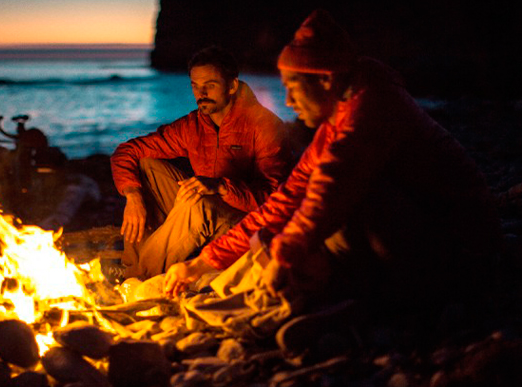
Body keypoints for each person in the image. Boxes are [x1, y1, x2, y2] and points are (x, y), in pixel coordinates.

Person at [164, 10, 502, 314]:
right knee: (289, 221)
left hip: (464, 251)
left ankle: (364, 301)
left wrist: (283, 256)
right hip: (426, 238)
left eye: (293, 87)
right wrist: (202, 262)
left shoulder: (372, 110)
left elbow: (329, 191)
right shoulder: (337, 119)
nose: (288, 101)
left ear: (325, 79)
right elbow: (287, 197)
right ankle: (331, 294)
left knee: (346, 204)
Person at [110, 46, 292, 281]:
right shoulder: (193, 126)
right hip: (205, 213)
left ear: (232, 86)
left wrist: (222, 187)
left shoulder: (264, 126)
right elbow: (127, 152)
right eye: (195, 85)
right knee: (146, 165)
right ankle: (132, 267)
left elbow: (276, 202)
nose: (201, 92)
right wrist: (132, 196)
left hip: (246, 225)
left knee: (200, 205)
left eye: (210, 85)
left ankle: (137, 278)